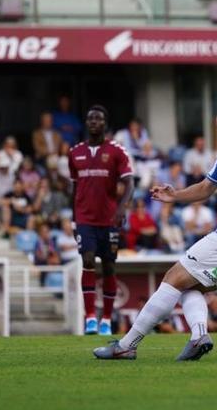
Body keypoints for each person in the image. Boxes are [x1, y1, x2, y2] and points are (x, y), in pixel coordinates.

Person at [95, 101, 217, 361]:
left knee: (173, 277)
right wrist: (175, 195)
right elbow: (205, 188)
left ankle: (126, 345)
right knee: (190, 288)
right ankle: (199, 336)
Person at [69, 105, 135, 336]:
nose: (94, 122)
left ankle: (106, 319)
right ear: (86, 123)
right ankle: (89, 318)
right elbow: (74, 188)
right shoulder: (74, 152)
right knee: (87, 260)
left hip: (109, 220)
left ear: (105, 123)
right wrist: (72, 219)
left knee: (108, 266)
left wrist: (121, 208)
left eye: (98, 118)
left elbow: (129, 183)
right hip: (84, 219)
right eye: (90, 118)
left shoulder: (117, 151)